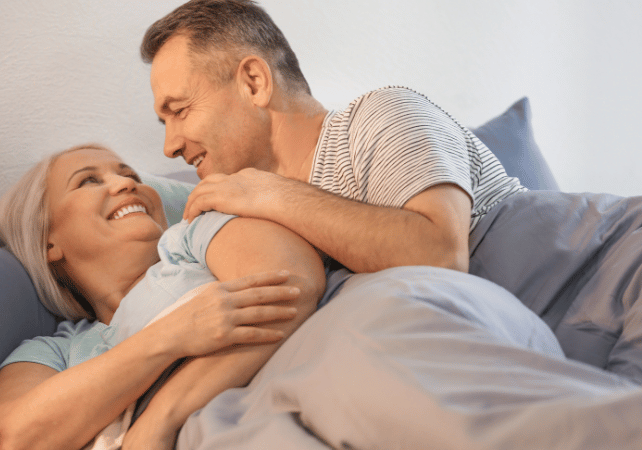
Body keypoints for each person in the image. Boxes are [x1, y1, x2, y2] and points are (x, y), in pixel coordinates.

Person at [141, 0, 642, 381]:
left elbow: (440, 255)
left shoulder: (379, 115)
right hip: (556, 348)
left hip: (616, 267)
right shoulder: (250, 226)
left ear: (253, 81)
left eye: (179, 110)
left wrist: (270, 194)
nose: (169, 146)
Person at [0, 143, 325, 450]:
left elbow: (290, 282)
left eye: (129, 174)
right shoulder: (53, 352)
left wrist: (158, 421)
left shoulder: (193, 235)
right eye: (88, 180)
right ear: (48, 243)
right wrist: (170, 336)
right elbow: (14, 438)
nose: (126, 183)